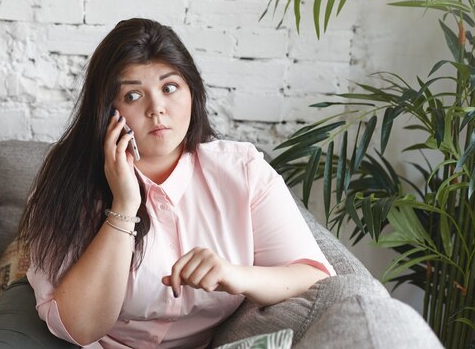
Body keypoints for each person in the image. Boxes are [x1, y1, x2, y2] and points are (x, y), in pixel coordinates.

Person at [18, 18, 335, 349]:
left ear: (192, 92)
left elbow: (314, 277)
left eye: (169, 88)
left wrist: (236, 275)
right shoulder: (67, 180)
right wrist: (124, 206)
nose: (157, 109)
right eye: (133, 95)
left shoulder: (242, 169)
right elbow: (80, 326)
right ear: (108, 110)